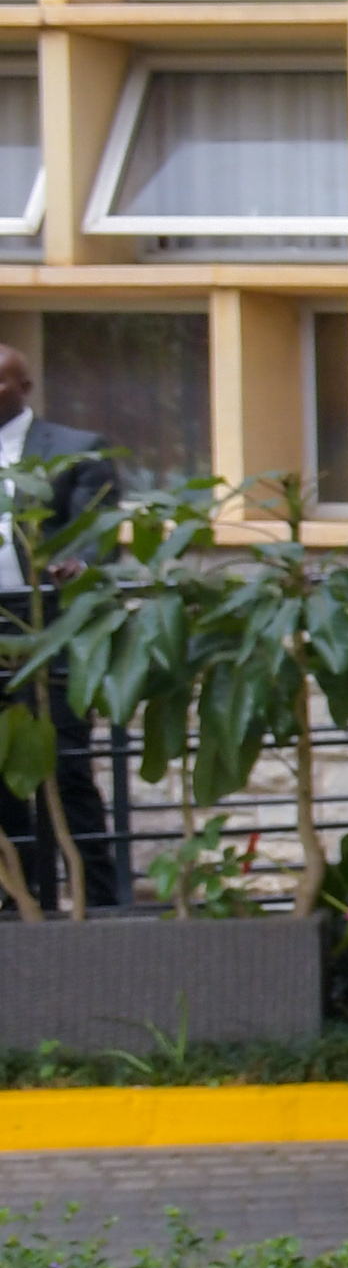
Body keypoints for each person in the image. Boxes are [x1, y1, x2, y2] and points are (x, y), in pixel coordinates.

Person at [0, 342, 127, 909]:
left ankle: (94, 900)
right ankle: (20, 901)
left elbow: (98, 532)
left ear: (24, 388)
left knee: (67, 765)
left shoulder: (75, 449)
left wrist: (80, 563)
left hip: (51, 628)